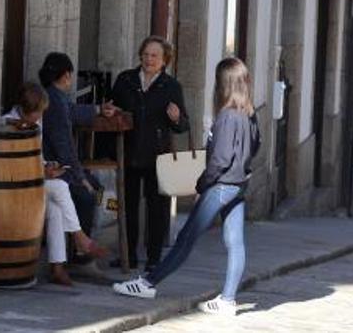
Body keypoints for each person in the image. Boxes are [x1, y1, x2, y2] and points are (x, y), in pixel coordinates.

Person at [112, 57, 261, 317]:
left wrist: (202, 185)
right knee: (235, 242)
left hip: (221, 185)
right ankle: (228, 299)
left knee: (186, 238)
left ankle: (148, 283)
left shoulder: (227, 116)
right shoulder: (249, 114)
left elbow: (220, 160)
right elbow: (255, 146)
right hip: (238, 184)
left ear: (223, 83)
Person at [2, 82, 109, 285]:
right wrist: (41, 171)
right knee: (60, 187)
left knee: (56, 209)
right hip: (14, 182)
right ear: (27, 111)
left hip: (35, 179)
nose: (41, 117)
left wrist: (47, 167)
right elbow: (11, 162)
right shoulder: (7, 123)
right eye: (38, 113)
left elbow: (35, 156)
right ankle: (80, 238)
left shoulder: (36, 122)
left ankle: (58, 267)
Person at [108, 36, 189, 270]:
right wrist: (110, 110)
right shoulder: (126, 80)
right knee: (127, 207)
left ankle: (154, 259)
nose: (149, 59)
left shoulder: (171, 86)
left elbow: (183, 125)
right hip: (129, 152)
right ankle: (128, 255)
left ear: (164, 61)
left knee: (158, 210)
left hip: (158, 156)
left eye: (154, 56)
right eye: (145, 54)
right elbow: (111, 107)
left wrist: (176, 117)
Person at [38, 52, 116, 242]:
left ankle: (83, 242)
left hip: (58, 166)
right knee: (88, 196)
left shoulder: (54, 96)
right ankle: (82, 253)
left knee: (97, 188)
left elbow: (72, 110)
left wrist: (98, 109)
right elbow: (65, 148)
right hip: (54, 169)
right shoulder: (54, 101)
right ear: (66, 75)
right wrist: (80, 178)